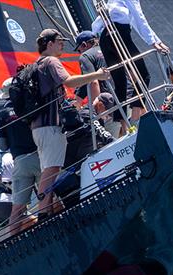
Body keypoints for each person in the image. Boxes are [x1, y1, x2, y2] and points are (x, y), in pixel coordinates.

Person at [32, 29, 110, 217]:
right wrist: (96, 75)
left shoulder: (36, 66)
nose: (63, 44)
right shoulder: (51, 61)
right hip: (50, 125)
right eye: (59, 41)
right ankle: (44, 214)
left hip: (39, 126)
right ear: (49, 44)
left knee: (51, 168)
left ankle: (47, 210)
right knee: (51, 170)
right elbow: (69, 82)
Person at [91, 0, 169, 124]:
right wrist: (153, 42)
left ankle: (124, 127)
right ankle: (134, 120)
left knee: (120, 83)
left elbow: (97, 25)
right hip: (119, 34)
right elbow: (138, 17)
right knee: (144, 75)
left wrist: (156, 40)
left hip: (105, 38)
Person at [0, 77, 41, 235]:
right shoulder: (29, 104)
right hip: (40, 157)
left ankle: (12, 241)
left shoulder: (1, 115)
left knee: (17, 209)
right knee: (49, 197)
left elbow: (2, 146)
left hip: (19, 162)